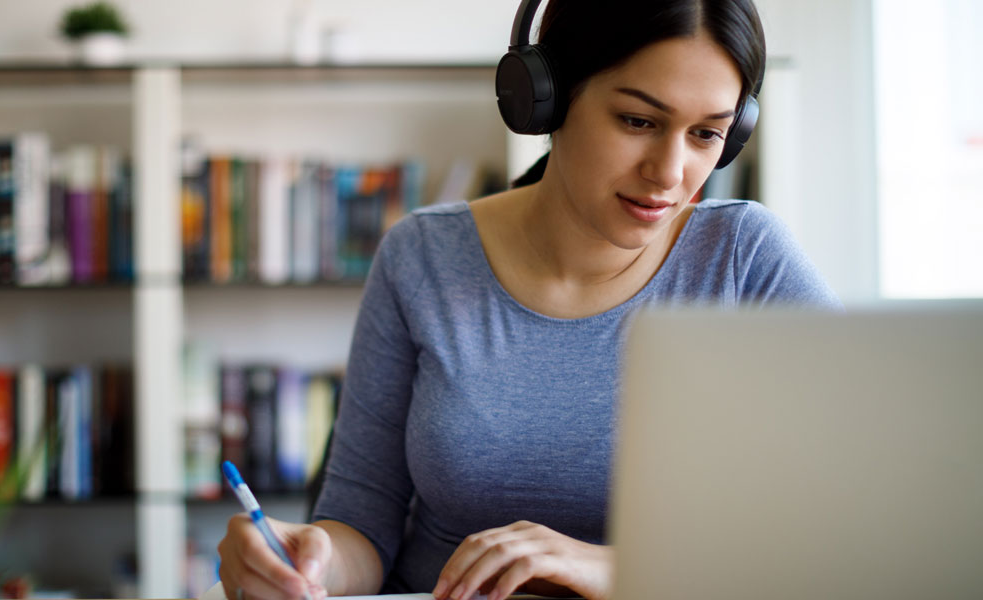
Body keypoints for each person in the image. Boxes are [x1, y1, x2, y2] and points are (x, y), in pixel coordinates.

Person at [217, 0, 840, 599]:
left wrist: (615, 569)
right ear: (547, 97)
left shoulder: (742, 260)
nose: (669, 172)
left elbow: (854, 514)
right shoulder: (421, 257)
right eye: (638, 121)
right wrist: (305, 561)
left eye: (707, 134)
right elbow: (360, 526)